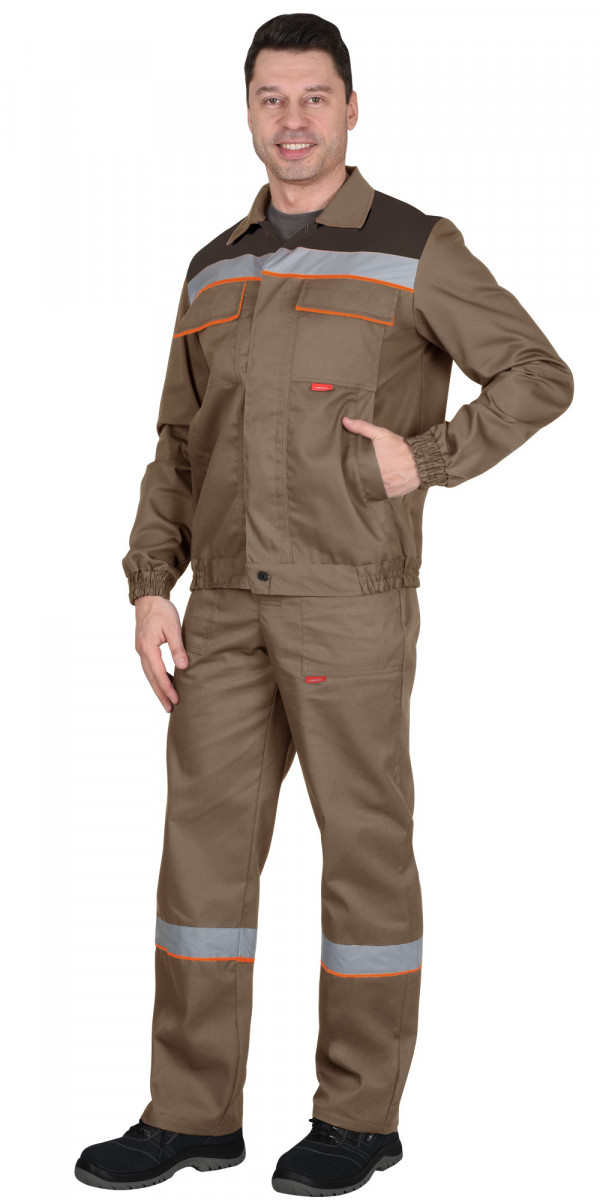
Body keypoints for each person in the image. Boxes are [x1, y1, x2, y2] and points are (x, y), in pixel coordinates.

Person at [74, 12, 574, 1195]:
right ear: (249, 111)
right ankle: (192, 1114)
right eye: (271, 98)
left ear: (352, 108)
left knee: (362, 857)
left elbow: (538, 373)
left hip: (349, 601)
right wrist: (150, 587)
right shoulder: (214, 266)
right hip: (221, 610)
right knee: (199, 866)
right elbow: (178, 444)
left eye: (314, 97)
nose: (292, 120)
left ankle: (359, 1117)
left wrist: (426, 459)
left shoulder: (413, 247)